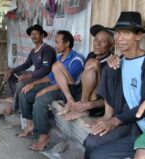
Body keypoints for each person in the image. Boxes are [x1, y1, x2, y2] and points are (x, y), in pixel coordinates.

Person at [84, 11, 145, 159]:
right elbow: (115, 95)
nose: (119, 38)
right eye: (117, 33)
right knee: (91, 141)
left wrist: (115, 121)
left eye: (126, 33)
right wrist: (108, 117)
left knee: (99, 155)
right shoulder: (118, 63)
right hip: (133, 123)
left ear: (139, 36)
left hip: (133, 119)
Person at [18, 30, 85, 151]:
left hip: (65, 91)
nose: (55, 45)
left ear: (67, 43)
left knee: (39, 102)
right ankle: (31, 124)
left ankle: (44, 136)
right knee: (25, 93)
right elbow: (50, 77)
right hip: (53, 86)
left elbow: (66, 84)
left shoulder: (77, 59)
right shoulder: (59, 58)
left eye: (57, 42)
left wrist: (45, 90)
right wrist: (33, 84)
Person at [58, 24, 114, 120]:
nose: (97, 44)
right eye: (96, 39)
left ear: (111, 45)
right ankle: (70, 101)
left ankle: (82, 108)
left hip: (95, 102)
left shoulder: (113, 62)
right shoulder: (91, 54)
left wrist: (87, 105)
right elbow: (85, 80)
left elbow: (110, 96)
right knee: (57, 66)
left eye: (103, 41)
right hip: (83, 93)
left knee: (93, 63)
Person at [0, 24, 56, 115]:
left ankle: (13, 108)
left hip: (45, 78)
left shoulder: (47, 49)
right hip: (36, 75)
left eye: (36, 34)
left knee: (21, 83)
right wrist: (12, 70)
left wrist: (28, 75)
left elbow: (45, 70)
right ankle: (13, 97)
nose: (33, 36)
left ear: (42, 35)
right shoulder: (33, 51)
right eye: (32, 34)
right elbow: (26, 64)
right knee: (12, 77)